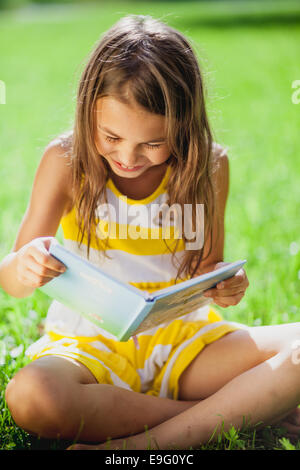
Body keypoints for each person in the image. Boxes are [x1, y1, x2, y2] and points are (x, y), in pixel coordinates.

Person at [1, 15, 300, 451]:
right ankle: (236, 414)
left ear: (184, 124)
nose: (128, 156)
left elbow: (206, 270)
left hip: (187, 346)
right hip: (89, 344)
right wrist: (25, 266)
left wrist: (225, 285)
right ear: (88, 111)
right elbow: (11, 280)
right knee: (31, 397)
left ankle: (143, 443)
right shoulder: (66, 161)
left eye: (152, 143)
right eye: (112, 136)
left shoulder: (210, 166)